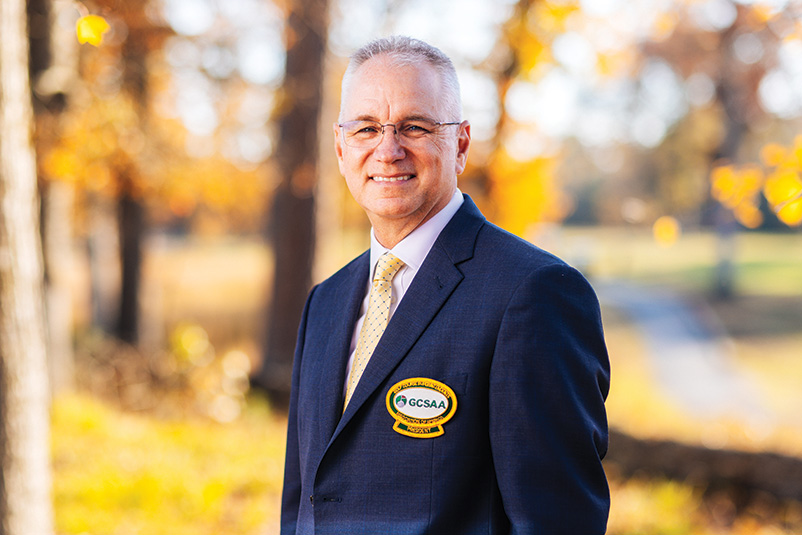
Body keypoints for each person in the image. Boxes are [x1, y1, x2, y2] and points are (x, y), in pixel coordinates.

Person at [281, 35, 610, 535]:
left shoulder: (534, 295)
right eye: (367, 128)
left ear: (459, 143)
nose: (387, 151)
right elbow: (303, 505)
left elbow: (558, 523)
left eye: (414, 126)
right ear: (340, 146)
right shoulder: (324, 302)